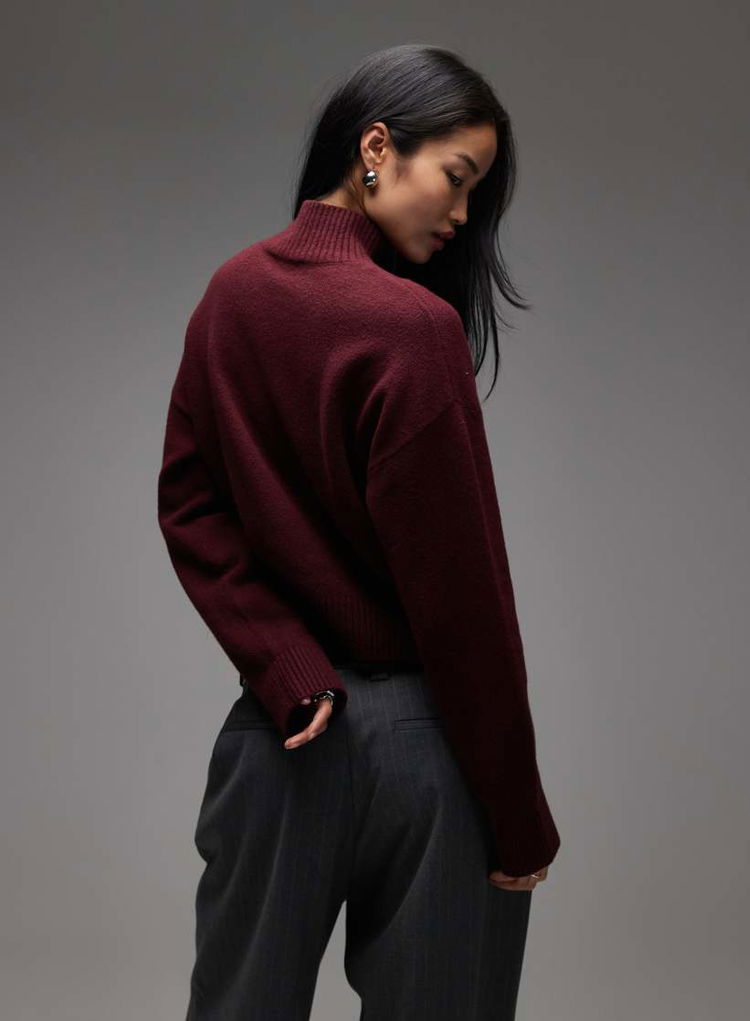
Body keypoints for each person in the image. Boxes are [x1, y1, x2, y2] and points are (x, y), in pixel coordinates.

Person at [157, 42, 561, 1020]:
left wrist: (282, 662)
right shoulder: (413, 329)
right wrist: (517, 813)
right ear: (376, 148)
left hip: (282, 729)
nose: (462, 213)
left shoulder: (231, 295)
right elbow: (461, 601)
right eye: (457, 177)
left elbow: (190, 507)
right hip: (426, 749)